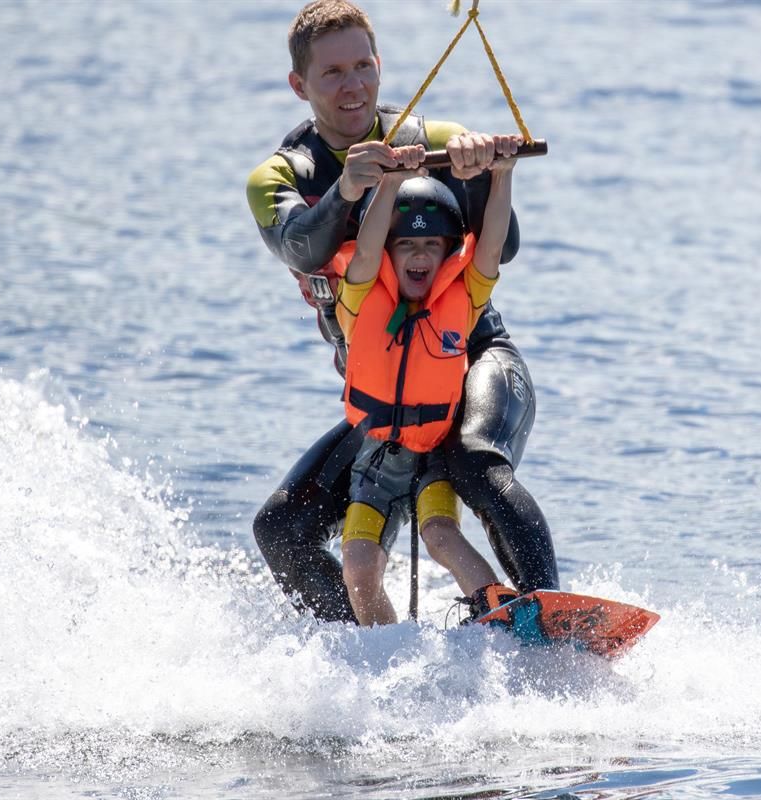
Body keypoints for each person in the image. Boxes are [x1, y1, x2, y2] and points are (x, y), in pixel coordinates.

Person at [245, 0, 558, 623]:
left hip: (472, 359)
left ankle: (548, 614)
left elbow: (505, 248)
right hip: (387, 394)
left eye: (363, 66)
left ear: (380, 66)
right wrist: (349, 187)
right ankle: (369, 650)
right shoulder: (280, 175)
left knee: (474, 459)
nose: (353, 86)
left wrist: (480, 172)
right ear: (299, 85)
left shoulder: (433, 140)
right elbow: (303, 247)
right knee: (280, 530)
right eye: (333, 72)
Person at [332, 143, 521, 624]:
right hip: (377, 458)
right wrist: (390, 182)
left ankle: (503, 618)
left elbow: (491, 247)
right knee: (358, 564)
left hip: (435, 451)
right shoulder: (358, 298)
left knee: (441, 536)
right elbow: (366, 248)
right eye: (407, 245)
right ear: (389, 252)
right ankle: (386, 648)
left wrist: (502, 175)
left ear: (447, 254)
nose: (419, 255)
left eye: (432, 246)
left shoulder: (465, 298)